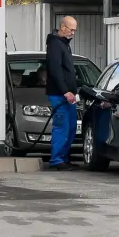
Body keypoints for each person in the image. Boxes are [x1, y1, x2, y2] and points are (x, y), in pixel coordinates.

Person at [44, 16, 80, 170]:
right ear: (63, 27)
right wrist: (65, 91)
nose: (73, 33)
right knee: (62, 127)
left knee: (71, 127)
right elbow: (55, 70)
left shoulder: (64, 44)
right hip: (60, 95)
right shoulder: (55, 45)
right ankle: (57, 160)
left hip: (68, 95)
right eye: (71, 30)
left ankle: (63, 158)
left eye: (75, 30)